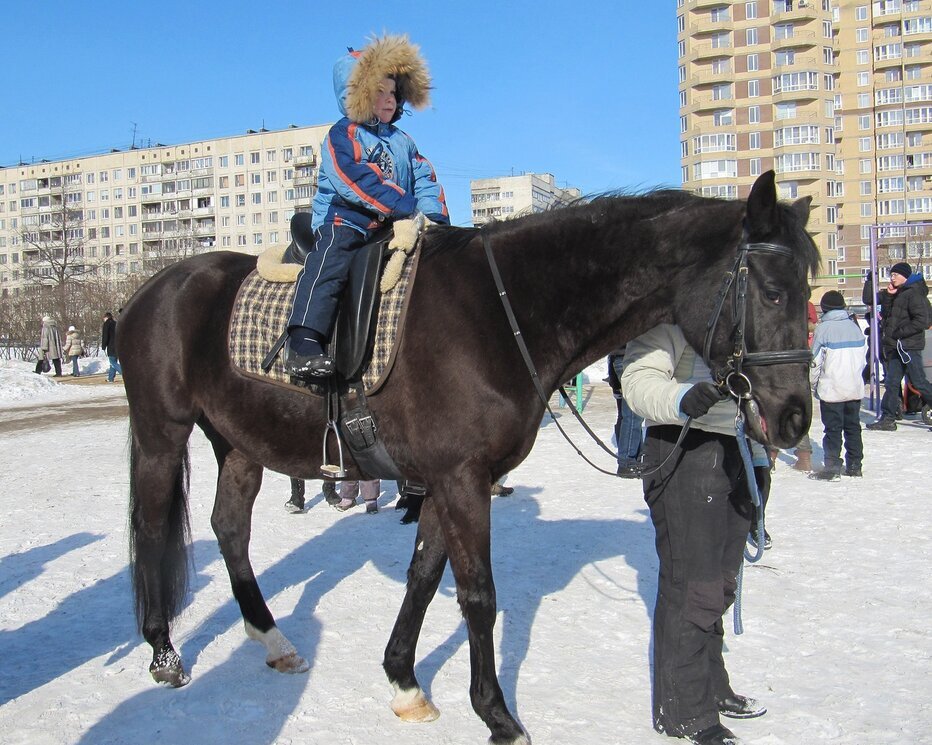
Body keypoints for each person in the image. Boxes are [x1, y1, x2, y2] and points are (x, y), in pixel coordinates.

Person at [622, 324, 766, 745]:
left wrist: (761, 451)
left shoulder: (743, 310)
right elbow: (637, 380)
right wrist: (681, 397)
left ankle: (711, 685)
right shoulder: (674, 316)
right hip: (684, 445)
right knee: (694, 585)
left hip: (741, 449)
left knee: (721, 583)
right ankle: (684, 710)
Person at [284, 34, 449, 379]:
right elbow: (354, 179)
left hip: (392, 223)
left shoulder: (403, 142)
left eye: (393, 93)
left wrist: (433, 218)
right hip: (346, 218)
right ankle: (304, 340)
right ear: (358, 94)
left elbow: (425, 178)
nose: (389, 101)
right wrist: (404, 207)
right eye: (379, 92)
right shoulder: (343, 134)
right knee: (334, 259)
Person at [807, 291, 867, 481]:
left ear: (824, 308)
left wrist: (813, 384)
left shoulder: (823, 329)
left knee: (832, 429)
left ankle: (832, 466)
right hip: (854, 388)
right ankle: (855, 465)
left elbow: (815, 362)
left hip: (831, 388)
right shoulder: (854, 327)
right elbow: (862, 360)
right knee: (853, 427)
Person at [866, 262, 932, 431]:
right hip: (897, 347)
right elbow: (889, 315)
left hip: (909, 346)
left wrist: (900, 332)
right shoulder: (899, 293)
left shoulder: (914, 294)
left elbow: (922, 321)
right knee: (892, 382)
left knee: (919, 382)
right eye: (891, 274)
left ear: (905, 276)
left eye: (895, 274)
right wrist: (888, 296)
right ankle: (888, 418)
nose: (892, 277)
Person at [609, 348, 644, 477]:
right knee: (633, 412)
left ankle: (635, 457)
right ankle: (627, 461)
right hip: (628, 359)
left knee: (632, 412)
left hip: (620, 358)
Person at [101, 311, 122, 383]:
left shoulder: (107, 324)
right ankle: (110, 378)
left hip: (111, 345)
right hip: (118, 344)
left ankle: (124, 373)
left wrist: (103, 346)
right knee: (113, 361)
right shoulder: (116, 323)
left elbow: (105, 336)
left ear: (106, 317)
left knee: (113, 362)